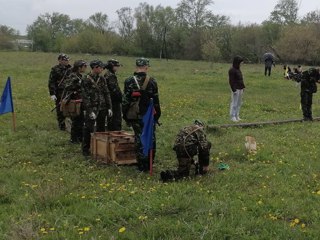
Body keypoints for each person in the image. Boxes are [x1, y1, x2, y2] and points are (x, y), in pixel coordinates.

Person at [122, 58, 161, 172]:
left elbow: (125, 101)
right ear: (146, 67)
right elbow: (156, 101)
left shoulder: (129, 81)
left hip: (134, 115)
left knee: (139, 138)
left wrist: (125, 115)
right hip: (148, 115)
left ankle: (142, 166)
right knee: (150, 137)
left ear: (136, 67)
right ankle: (150, 163)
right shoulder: (152, 81)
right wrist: (157, 116)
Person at [81, 60, 113, 156]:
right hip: (92, 107)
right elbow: (85, 96)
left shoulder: (102, 78)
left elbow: (106, 93)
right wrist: (90, 111)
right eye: (100, 67)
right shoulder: (86, 79)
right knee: (88, 128)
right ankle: (86, 149)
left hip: (102, 107)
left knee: (101, 129)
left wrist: (109, 107)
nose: (102, 69)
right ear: (95, 67)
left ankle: (100, 149)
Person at [63, 60, 87, 143]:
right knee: (76, 120)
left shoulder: (80, 76)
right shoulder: (73, 76)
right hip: (74, 101)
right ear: (79, 67)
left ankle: (80, 137)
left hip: (80, 101)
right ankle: (73, 139)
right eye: (84, 66)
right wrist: (76, 84)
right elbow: (67, 86)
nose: (85, 68)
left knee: (81, 120)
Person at [48, 53, 72, 130]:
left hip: (70, 91)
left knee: (71, 108)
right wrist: (52, 93)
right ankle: (62, 126)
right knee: (60, 109)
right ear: (59, 60)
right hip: (60, 92)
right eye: (64, 60)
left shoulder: (71, 69)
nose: (66, 61)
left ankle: (71, 125)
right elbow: (52, 82)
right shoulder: (55, 69)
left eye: (67, 59)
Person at [104, 59, 123, 131]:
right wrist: (121, 98)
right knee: (116, 119)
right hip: (114, 100)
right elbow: (114, 90)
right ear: (111, 66)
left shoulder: (108, 74)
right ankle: (116, 134)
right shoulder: (110, 75)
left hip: (111, 100)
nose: (117, 67)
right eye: (116, 66)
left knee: (111, 118)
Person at [229, 55, 245, 122]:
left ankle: (237, 115)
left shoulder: (238, 69)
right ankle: (232, 116)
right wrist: (234, 89)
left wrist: (243, 87)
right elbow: (231, 81)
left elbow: (241, 79)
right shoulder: (232, 70)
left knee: (239, 103)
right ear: (237, 62)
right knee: (234, 103)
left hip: (240, 88)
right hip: (236, 89)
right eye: (241, 62)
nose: (242, 63)